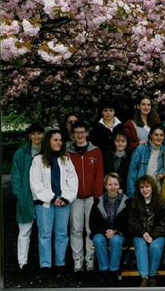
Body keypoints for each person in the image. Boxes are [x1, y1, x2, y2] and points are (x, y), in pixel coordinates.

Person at [29, 129, 78, 272]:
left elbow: (73, 180)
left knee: (62, 233)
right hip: (45, 203)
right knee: (44, 234)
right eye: (55, 140)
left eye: (60, 140)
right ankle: (45, 265)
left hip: (63, 202)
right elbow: (35, 183)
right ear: (48, 142)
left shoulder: (66, 159)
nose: (59, 142)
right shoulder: (38, 160)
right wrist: (52, 198)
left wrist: (64, 198)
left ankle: (60, 263)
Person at [66, 121, 104, 272]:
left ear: (87, 133)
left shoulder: (95, 151)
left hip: (90, 197)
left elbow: (99, 175)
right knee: (75, 229)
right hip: (74, 197)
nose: (80, 135)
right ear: (72, 135)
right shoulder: (68, 152)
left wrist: (97, 196)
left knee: (90, 229)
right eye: (77, 133)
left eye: (82, 132)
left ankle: (90, 259)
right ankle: (77, 259)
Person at [11, 123, 44, 271]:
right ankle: (22, 263)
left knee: (45, 231)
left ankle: (44, 262)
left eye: (39, 133)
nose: (36, 137)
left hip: (43, 195)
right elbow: (16, 175)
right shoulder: (21, 153)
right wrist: (19, 193)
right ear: (29, 136)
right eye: (33, 134)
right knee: (24, 230)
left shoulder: (47, 151)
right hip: (26, 195)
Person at [89, 173, 129, 286]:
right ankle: (103, 270)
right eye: (110, 184)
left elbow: (129, 223)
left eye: (115, 184)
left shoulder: (127, 202)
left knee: (115, 240)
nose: (113, 187)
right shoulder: (98, 202)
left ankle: (113, 271)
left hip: (120, 233)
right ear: (105, 186)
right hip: (102, 232)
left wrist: (115, 231)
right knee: (97, 240)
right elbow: (92, 223)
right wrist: (105, 231)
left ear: (119, 185)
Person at [128, 175, 165, 288]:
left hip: (158, 234)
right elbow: (132, 223)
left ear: (152, 187)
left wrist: (152, 235)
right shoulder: (134, 203)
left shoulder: (161, 202)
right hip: (139, 234)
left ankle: (152, 275)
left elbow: (163, 223)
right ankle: (144, 277)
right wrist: (143, 233)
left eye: (147, 186)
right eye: (141, 187)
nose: (144, 190)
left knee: (155, 246)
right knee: (140, 245)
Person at [127, 124, 165, 197]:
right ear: (151, 135)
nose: (159, 138)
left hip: (157, 192)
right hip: (141, 192)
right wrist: (132, 195)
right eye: (156, 135)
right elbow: (132, 173)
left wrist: (162, 172)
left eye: (161, 135)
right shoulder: (141, 149)